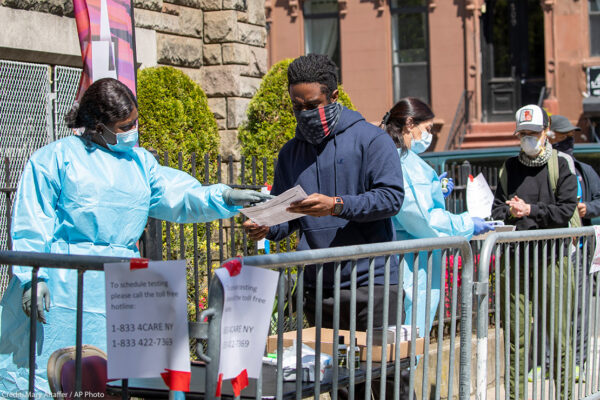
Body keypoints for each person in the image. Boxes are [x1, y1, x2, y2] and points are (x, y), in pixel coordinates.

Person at [0, 78, 271, 399]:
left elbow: (182, 197)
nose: (134, 130)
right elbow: (33, 222)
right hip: (61, 293)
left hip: (123, 292)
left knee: (120, 386)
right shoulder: (54, 160)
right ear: (98, 127)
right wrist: (33, 277)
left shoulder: (140, 165)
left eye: (135, 122)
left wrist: (225, 194)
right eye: (125, 126)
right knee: (54, 379)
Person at [243, 54, 404, 397]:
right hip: (321, 291)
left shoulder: (372, 140)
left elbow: (391, 198)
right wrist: (267, 227)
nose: (304, 113)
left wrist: (337, 206)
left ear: (333, 96)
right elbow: (288, 217)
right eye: (296, 106)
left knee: (388, 383)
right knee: (339, 386)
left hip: (372, 287)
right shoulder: (290, 154)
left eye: (312, 104)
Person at [380, 97, 495, 338]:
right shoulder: (404, 161)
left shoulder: (393, 155)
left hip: (400, 261)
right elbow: (423, 219)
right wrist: (467, 223)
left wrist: (434, 191)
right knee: (409, 339)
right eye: (427, 129)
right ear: (410, 123)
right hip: (410, 266)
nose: (429, 136)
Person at [491, 104, 578, 400]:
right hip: (517, 260)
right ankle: (516, 395)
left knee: (558, 336)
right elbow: (497, 209)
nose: (527, 138)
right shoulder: (509, 167)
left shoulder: (562, 165)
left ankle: (565, 394)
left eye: (532, 133)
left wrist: (530, 209)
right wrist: (512, 212)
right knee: (516, 337)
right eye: (522, 133)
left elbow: (565, 211)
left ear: (546, 132)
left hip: (553, 258)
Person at [527, 114, 600, 382]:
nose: (569, 141)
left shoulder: (583, 170)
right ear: (550, 135)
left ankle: (576, 362)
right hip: (550, 250)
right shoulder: (541, 169)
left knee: (578, 309)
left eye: (572, 136)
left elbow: (599, 201)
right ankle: (542, 362)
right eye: (564, 135)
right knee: (545, 308)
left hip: (578, 250)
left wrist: (588, 208)